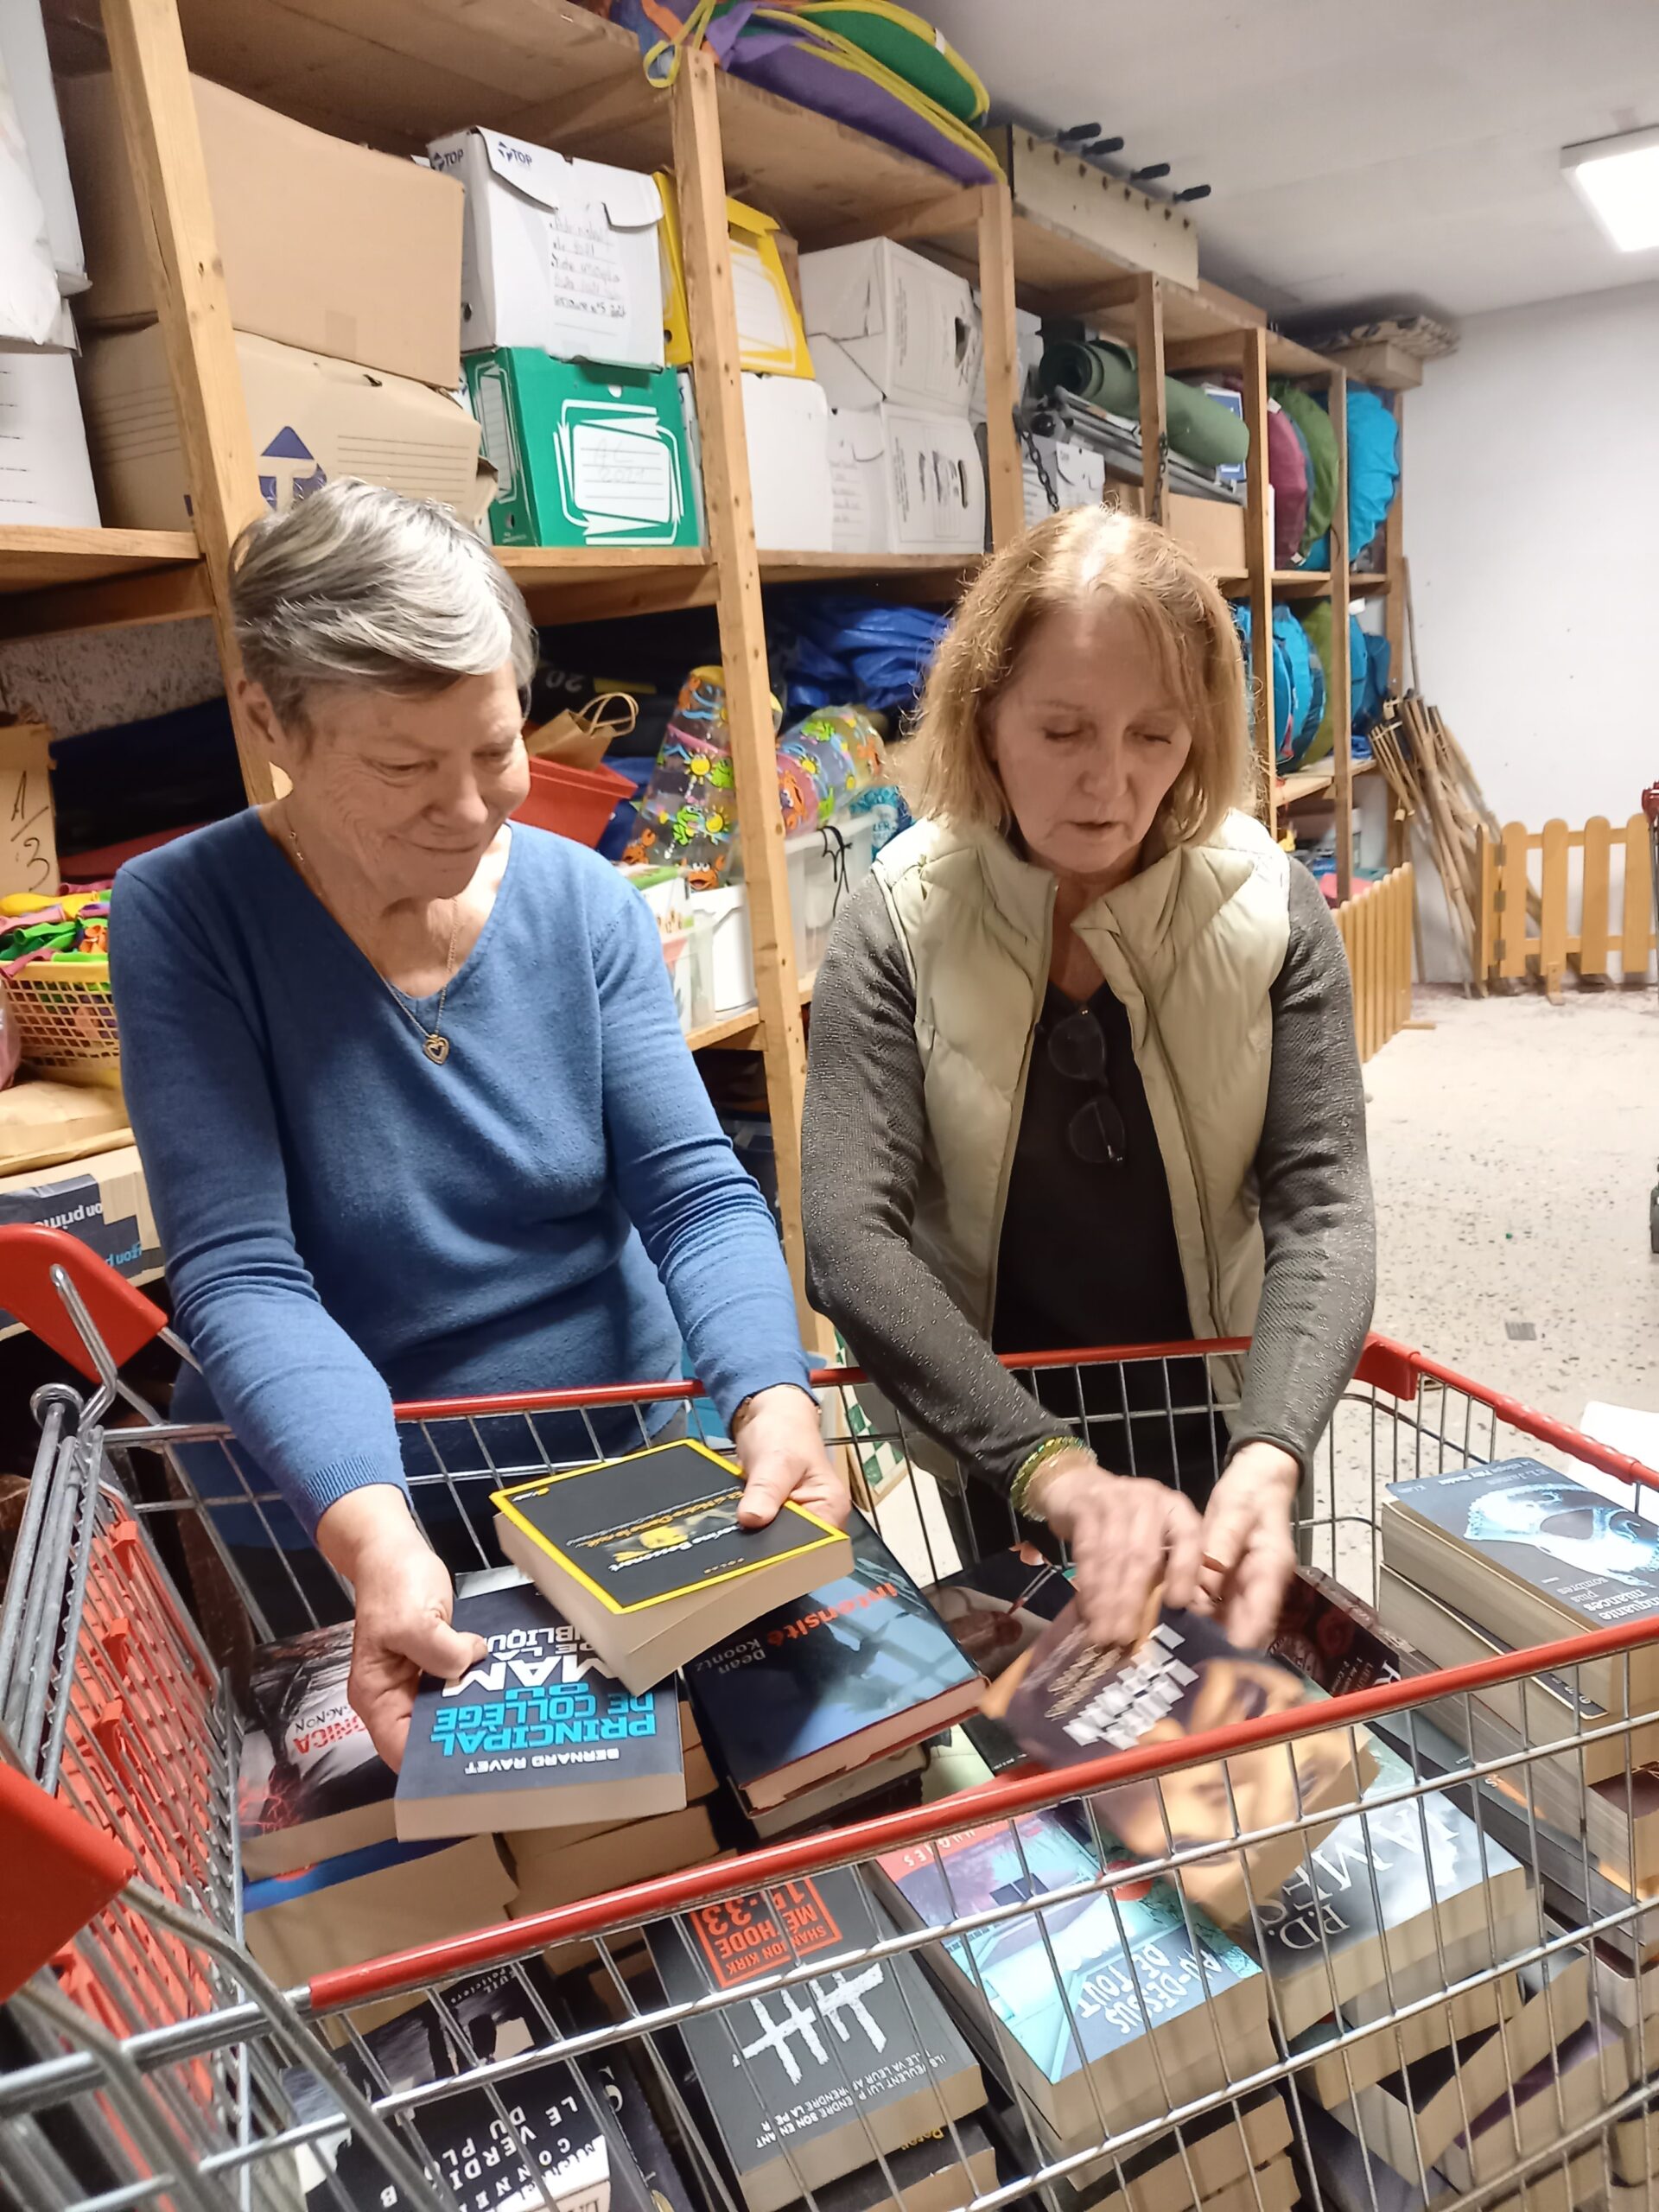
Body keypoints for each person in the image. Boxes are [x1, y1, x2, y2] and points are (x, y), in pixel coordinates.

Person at [111, 480, 845, 1767]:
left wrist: (767, 1387)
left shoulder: (586, 905)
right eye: (404, 766)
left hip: (625, 1475)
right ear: (268, 721)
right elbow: (241, 1274)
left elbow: (695, 1195)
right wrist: (378, 1532)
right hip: (340, 1510)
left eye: (496, 748)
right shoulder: (186, 916)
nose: (470, 806)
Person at [801, 505, 1374, 1653]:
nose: (1110, 783)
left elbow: (1325, 1206)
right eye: (1062, 730)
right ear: (984, 713)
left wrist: (1272, 1450)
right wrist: (1042, 1465)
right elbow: (849, 1236)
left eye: (1155, 736)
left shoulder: (1271, 908)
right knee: (1046, 1743)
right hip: (1000, 1428)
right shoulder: (896, 923)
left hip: (1227, 1412)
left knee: (1241, 1749)